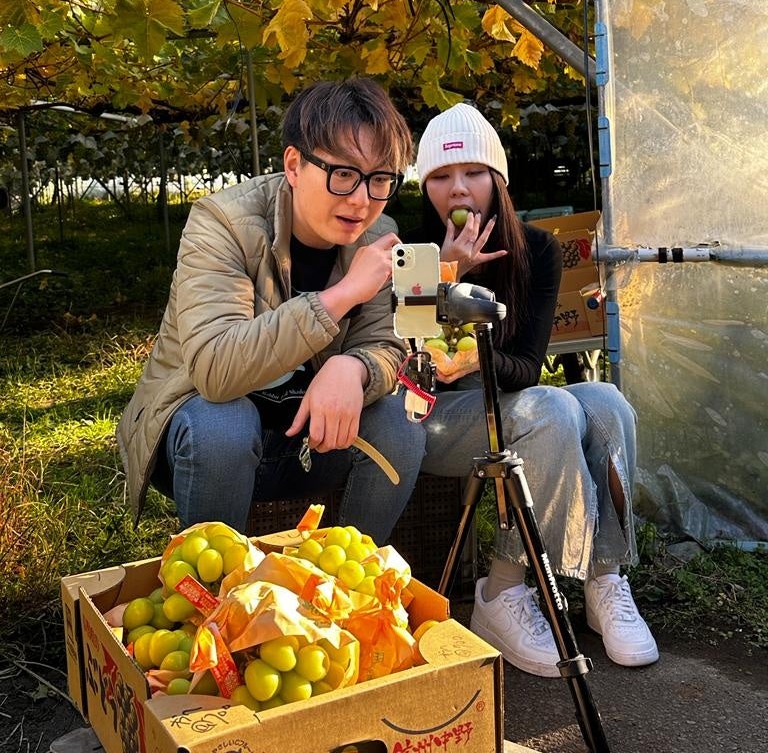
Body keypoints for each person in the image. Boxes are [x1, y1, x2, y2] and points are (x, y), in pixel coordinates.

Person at [404, 102, 658, 676]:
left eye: (473, 172)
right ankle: (502, 591)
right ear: (426, 187)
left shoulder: (536, 251)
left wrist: (474, 355)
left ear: (498, 179)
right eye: (441, 176)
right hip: (431, 416)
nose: (458, 188)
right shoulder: (409, 249)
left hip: (505, 398)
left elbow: (525, 367)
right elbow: (407, 365)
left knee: (607, 404)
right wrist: (446, 274)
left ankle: (605, 577)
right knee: (551, 409)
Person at [117, 78, 426, 545]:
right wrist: (341, 295)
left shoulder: (378, 233)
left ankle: (352, 576)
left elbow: (385, 343)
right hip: (202, 438)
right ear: (294, 165)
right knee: (224, 423)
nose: (362, 200)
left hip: (309, 437)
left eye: (380, 179)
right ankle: (214, 584)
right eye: (344, 173)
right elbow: (216, 369)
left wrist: (354, 367)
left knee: (401, 422)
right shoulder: (223, 222)